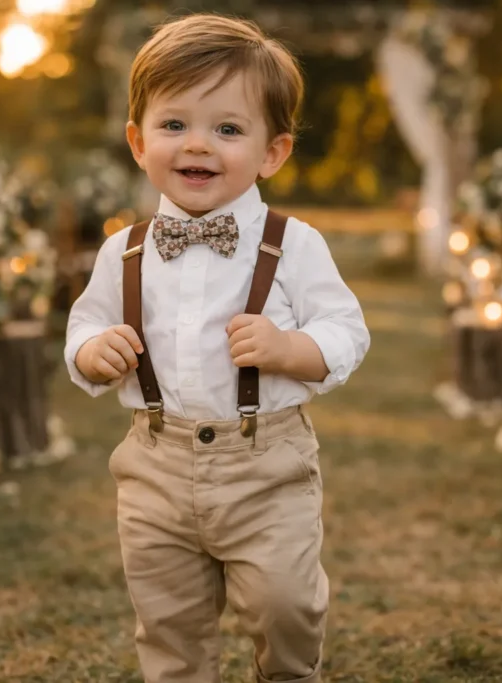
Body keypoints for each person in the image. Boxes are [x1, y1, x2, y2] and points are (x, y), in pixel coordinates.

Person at [64, 13, 370, 683]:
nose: (197, 144)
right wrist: (94, 351)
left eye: (228, 129)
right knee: (168, 622)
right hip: (154, 464)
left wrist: (289, 347)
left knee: (285, 605)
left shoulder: (294, 245)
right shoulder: (125, 250)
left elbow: (347, 331)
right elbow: (83, 325)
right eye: (175, 125)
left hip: (267, 467)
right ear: (138, 142)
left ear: (272, 152)